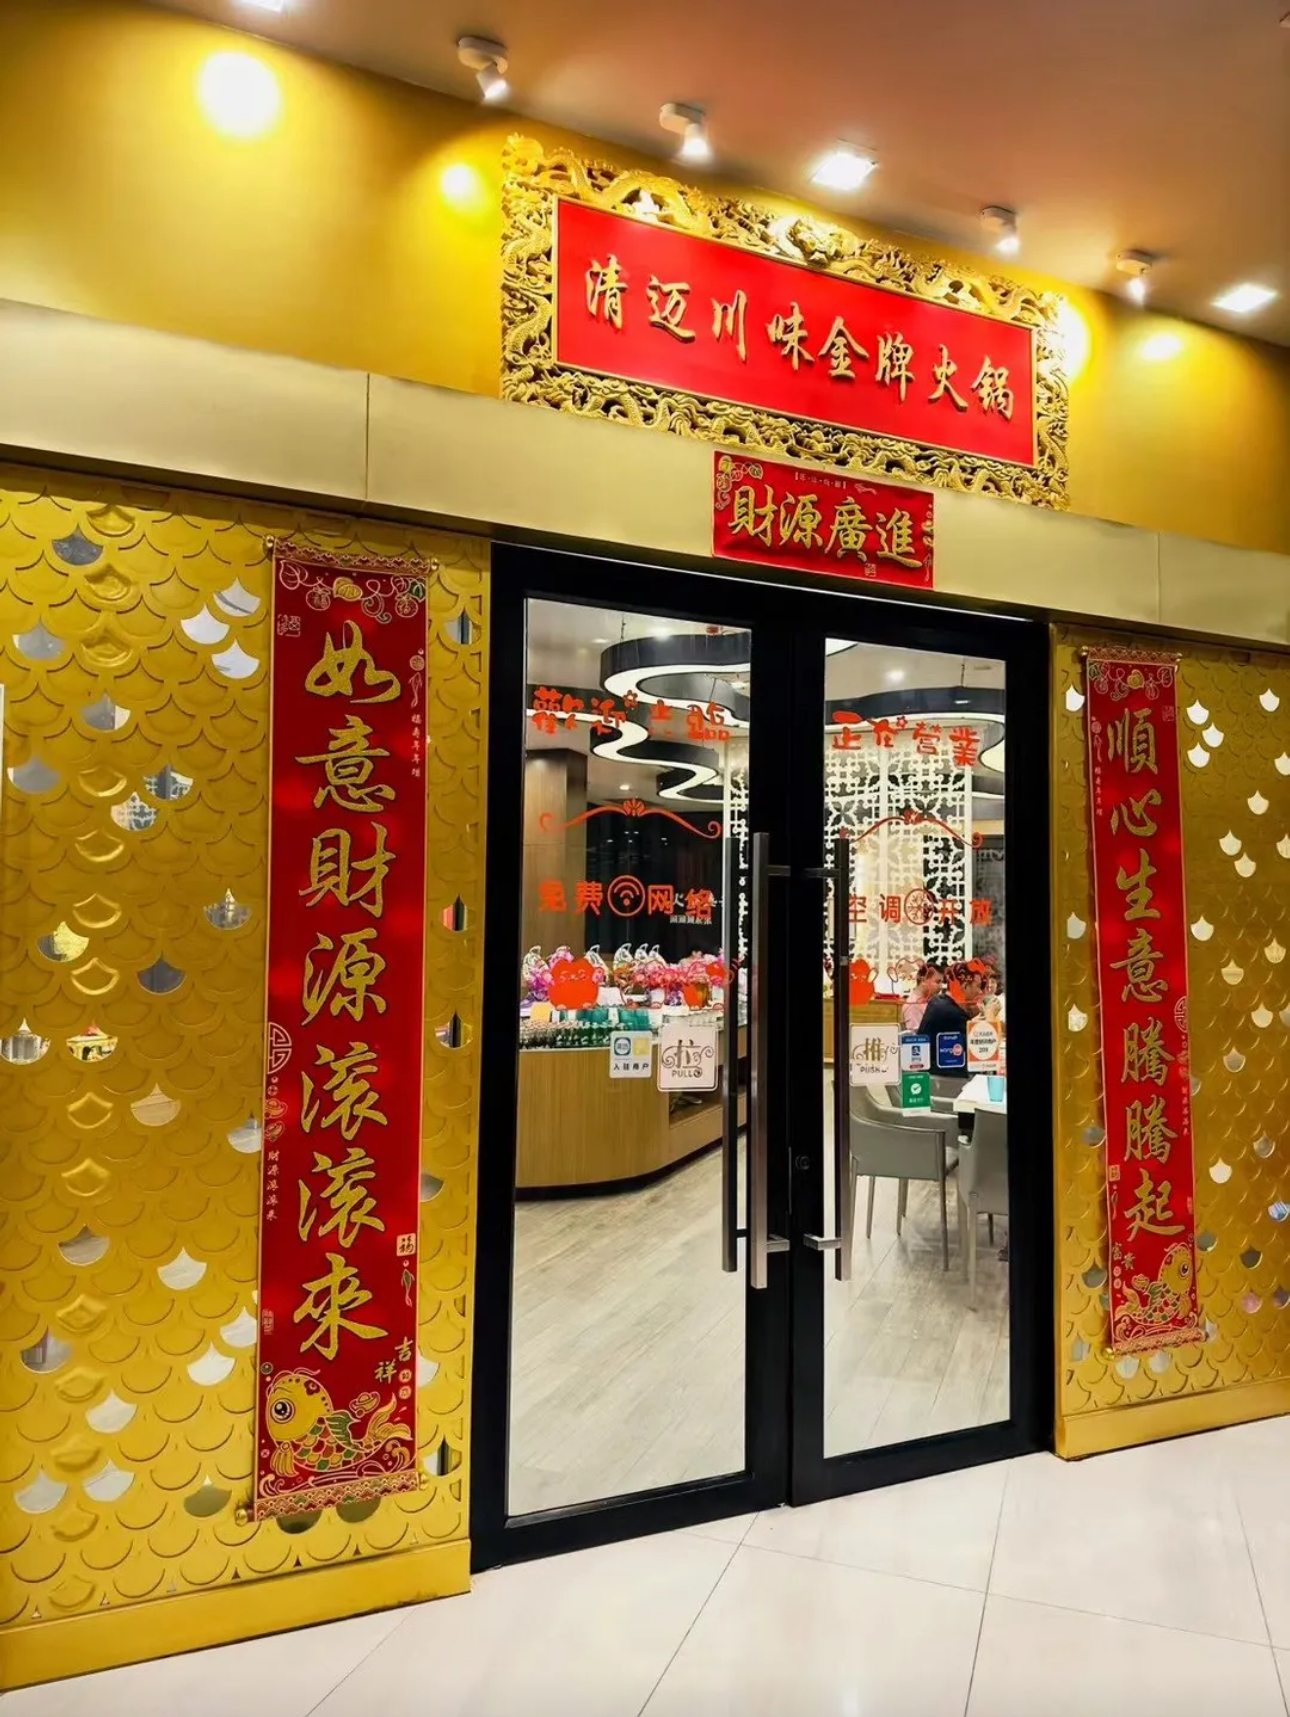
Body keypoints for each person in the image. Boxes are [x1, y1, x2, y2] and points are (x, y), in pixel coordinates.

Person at [915, 960, 986, 1081]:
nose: (980, 992)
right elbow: (981, 1049)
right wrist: (988, 1016)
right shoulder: (951, 1013)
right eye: (978, 986)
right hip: (947, 1082)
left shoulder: (938, 1001)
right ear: (965, 986)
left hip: (934, 1075)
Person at [901, 962, 942, 1033]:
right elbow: (917, 1036)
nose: (940, 986)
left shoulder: (930, 1002)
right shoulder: (913, 1005)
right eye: (937, 982)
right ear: (923, 980)